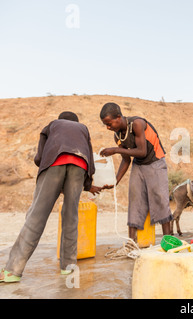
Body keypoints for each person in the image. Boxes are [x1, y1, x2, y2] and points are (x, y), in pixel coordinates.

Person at [0, 112, 101, 283]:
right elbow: (90, 159)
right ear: (75, 122)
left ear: (61, 120)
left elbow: (40, 156)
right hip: (80, 166)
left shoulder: (53, 124)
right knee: (71, 217)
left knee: (37, 216)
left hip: (55, 162)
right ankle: (68, 268)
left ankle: (12, 271)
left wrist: (47, 168)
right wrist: (87, 184)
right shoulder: (83, 129)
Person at [99, 103, 173, 247]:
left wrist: (115, 150)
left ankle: (169, 241)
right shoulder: (118, 136)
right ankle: (131, 243)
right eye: (105, 125)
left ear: (119, 117)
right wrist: (115, 181)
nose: (108, 127)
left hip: (155, 162)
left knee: (160, 199)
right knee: (135, 201)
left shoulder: (137, 124)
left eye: (109, 123)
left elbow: (142, 151)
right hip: (138, 165)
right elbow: (126, 160)